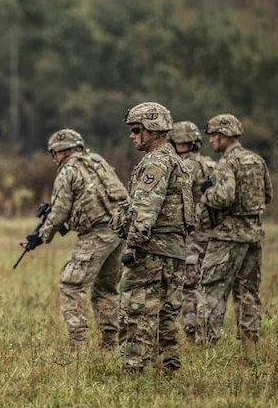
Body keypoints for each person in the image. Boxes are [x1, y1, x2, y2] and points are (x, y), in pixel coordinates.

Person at [26, 128, 127, 350]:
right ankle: (110, 345)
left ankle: (78, 346)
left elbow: (60, 212)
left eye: (55, 153)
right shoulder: (98, 162)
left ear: (60, 152)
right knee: (107, 289)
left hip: (96, 234)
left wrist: (41, 236)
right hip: (119, 232)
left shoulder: (68, 171)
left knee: (72, 286)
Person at [113, 102, 193, 373]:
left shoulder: (156, 162)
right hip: (173, 250)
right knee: (166, 313)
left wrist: (133, 244)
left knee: (137, 307)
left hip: (152, 249)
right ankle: (168, 365)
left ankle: (134, 368)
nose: (132, 136)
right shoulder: (175, 160)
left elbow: (146, 207)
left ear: (153, 130)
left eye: (136, 130)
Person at [196, 114, 272, 345]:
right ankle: (250, 343)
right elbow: (268, 194)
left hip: (228, 235)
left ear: (225, 135)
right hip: (253, 233)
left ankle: (206, 345)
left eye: (214, 135)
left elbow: (224, 197)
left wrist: (207, 192)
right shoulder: (257, 160)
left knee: (212, 288)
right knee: (248, 291)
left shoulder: (226, 163)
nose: (211, 140)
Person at [168, 121, 217, 341]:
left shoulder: (185, 166)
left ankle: (192, 331)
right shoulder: (211, 164)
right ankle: (206, 328)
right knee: (207, 282)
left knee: (188, 285)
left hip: (192, 232)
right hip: (212, 232)